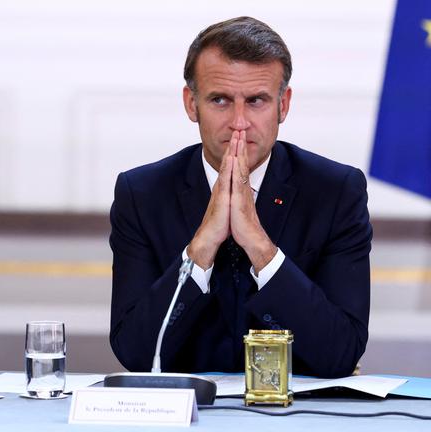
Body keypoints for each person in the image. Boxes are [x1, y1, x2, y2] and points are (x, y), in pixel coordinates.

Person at [109, 17, 371, 378]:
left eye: (256, 101)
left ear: (283, 105)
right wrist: (200, 249)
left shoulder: (335, 191)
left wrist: (261, 248)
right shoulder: (141, 193)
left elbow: (341, 352)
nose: (239, 122)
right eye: (220, 100)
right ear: (191, 103)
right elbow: (135, 352)